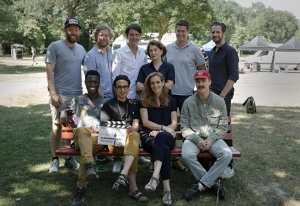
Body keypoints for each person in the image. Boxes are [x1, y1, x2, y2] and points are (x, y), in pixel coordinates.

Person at [180, 70, 232, 201]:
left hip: (213, 138)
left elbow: (223, 126)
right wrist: (196, 139)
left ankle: (201, 185)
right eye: (198, 81)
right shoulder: (188, 102)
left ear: (209, 82)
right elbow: (184, 127)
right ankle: (212, 185)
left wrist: (211, 139)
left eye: (203, 80)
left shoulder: (219, 102)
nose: (200, 84)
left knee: (227, 154)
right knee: (186, 154)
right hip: (193, 138)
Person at [60, 70, 109, 206]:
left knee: (85, 150)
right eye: (89, 81)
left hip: (98, 140)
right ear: (85, 83)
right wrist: (63, 111)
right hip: (80, 137)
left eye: (95, 82)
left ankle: (81, 186)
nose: (92, 84)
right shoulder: (78, 100)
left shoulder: (106, 101)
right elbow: (64, 106)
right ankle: (89, 166)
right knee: (82, 130)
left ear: (99, 83)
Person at [137, 40, 187, 172]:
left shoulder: (169, 67)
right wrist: (153, 88)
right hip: (151, 102)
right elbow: (139, 85)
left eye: (155, 50)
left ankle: (168, 162)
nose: (153, 52)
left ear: (161, 51)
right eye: (151, 50)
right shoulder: (145, 68)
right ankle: (159, 164)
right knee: (159, 134)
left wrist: (156, 86)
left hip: (165, 101)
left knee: (166, 128)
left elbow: (170, 84)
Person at [45, 17, 86, 173]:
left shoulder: (82, 49)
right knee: (57, 126)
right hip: (60, 94)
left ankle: (69, 158)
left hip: (77, 94)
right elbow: (49, 70)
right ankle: (55, 159)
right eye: (70, 29)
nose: (73, 32)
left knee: (74, 127)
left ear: (79, 31)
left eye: (76, 30)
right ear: (65, 30)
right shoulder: (55, 46)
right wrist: (53, 93)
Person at [101, 75, 147, 202]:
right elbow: (104, 127)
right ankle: (132, 186)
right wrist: (121, 129)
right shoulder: (108, 105)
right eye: (119, 87)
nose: (122, 90)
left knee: (134, 137)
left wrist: (132, 128)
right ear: (114, 88)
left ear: (128, 88)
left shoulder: (133, 104)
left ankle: (124, 174)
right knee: (134, 146)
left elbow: (136, 125)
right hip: (114, 143)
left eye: (125, 87)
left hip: (129, 142)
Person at [112, 23, 150, 165]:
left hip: (139, 96)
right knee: (121, 126)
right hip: (123, 95)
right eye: (131, 35)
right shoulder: (119, 53)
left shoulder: (142, 53)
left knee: (136, 125)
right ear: (126, 36)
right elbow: (115, 76)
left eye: (136, 35)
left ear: (140, 36)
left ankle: (136, 153)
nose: (134, 37)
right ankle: (117, 158)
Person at [140, 72, 177, 205]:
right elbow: (145, 123)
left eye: (158, 82)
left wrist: (163, 131)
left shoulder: (171, 100)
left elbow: (174, 123)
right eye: (152, 83)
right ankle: (166, 189)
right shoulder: (144, 100)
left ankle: (155, 177)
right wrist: (163, 129)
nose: (155, 85)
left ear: (163, 82)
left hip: (166, 136)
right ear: (149, 85)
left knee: (162, 139)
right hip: (149, 137)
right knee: (165, 149)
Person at [208, 21, 239, 179]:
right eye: (213, 32)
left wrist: (222, 96)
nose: (215, 35)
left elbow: (233, 76)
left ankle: (229, 166)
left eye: (217, 32)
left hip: (223, 98)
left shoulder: (230, 51)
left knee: (224, 130)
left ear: (224, 33)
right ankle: (214, 162)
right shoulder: (213, 51)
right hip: (211, 97)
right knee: (212, 129)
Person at [164, 19, 206, 111]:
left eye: (183, 31)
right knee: (170, 122)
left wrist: (199, 89)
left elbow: (203, 71)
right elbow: (162, 69)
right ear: (175, 31)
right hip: (169, 93)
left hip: (188, 94)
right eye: (178, 31)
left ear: (188, 32)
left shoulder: (194, 49)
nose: (180, 33)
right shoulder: (167, 49)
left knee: (187, 122)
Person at [84, 24, 114, 99]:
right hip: (100, 98)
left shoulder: (110, 53)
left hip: (112, 96)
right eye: (101, 35)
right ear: (96, 37)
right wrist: (103, 98)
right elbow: (90, 81)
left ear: (110, 37)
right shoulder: (90, 56)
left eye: (106, 35)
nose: (103, 38)